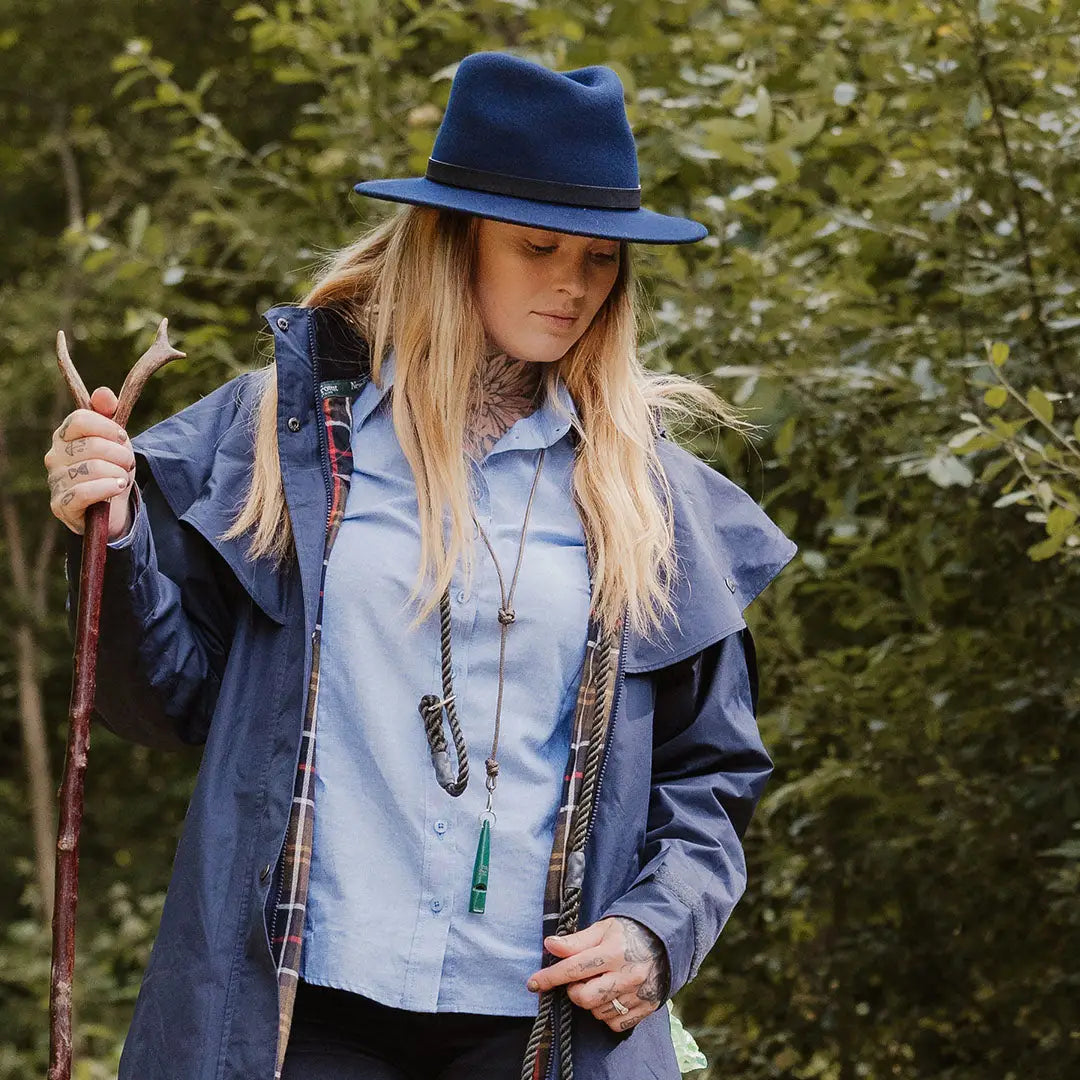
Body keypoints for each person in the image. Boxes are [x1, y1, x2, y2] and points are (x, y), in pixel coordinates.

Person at [45, 51, 796, 1080]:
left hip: (540, 1016)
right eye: (539, 247)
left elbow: (712, 771)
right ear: (453, 242)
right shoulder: (283, 438)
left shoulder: (648, 495)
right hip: (302, 1002)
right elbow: (164, 699)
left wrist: (659, 931)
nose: (574, 285)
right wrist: (117, 529)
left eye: (603, 259)